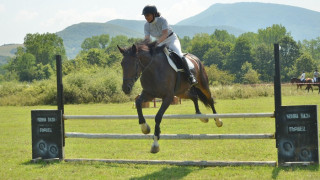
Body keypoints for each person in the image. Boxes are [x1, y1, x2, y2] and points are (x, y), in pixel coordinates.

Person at [142, 5, 197, 85]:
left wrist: (155, 44)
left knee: (179, 54)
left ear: (153, 14)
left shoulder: (162, 20)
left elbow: (165, 35)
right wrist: (146, 48)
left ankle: (190, 76)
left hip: (171, 39)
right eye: (145, 16)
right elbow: (147, 39)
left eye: (147, 15)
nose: (146, 17)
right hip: (160, 42)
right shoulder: (146, 25)